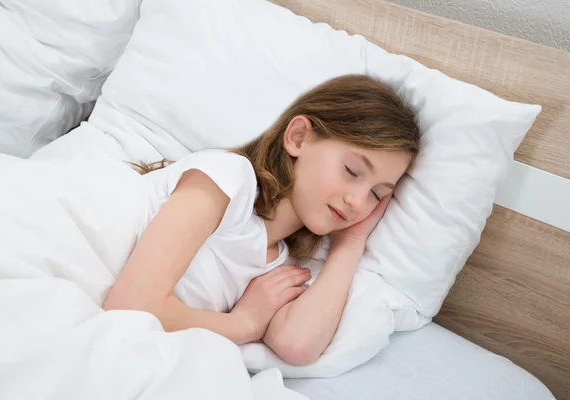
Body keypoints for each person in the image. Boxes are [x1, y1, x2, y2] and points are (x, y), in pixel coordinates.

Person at [102, 74, 420, 366]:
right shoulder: (228, 178)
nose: (357, 201)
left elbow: (298, 346)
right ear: (297, 137)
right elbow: (129, 307)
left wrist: (350, 244)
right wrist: (244, 325)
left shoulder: (283, 264)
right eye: (351, 171)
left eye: (377, 195)